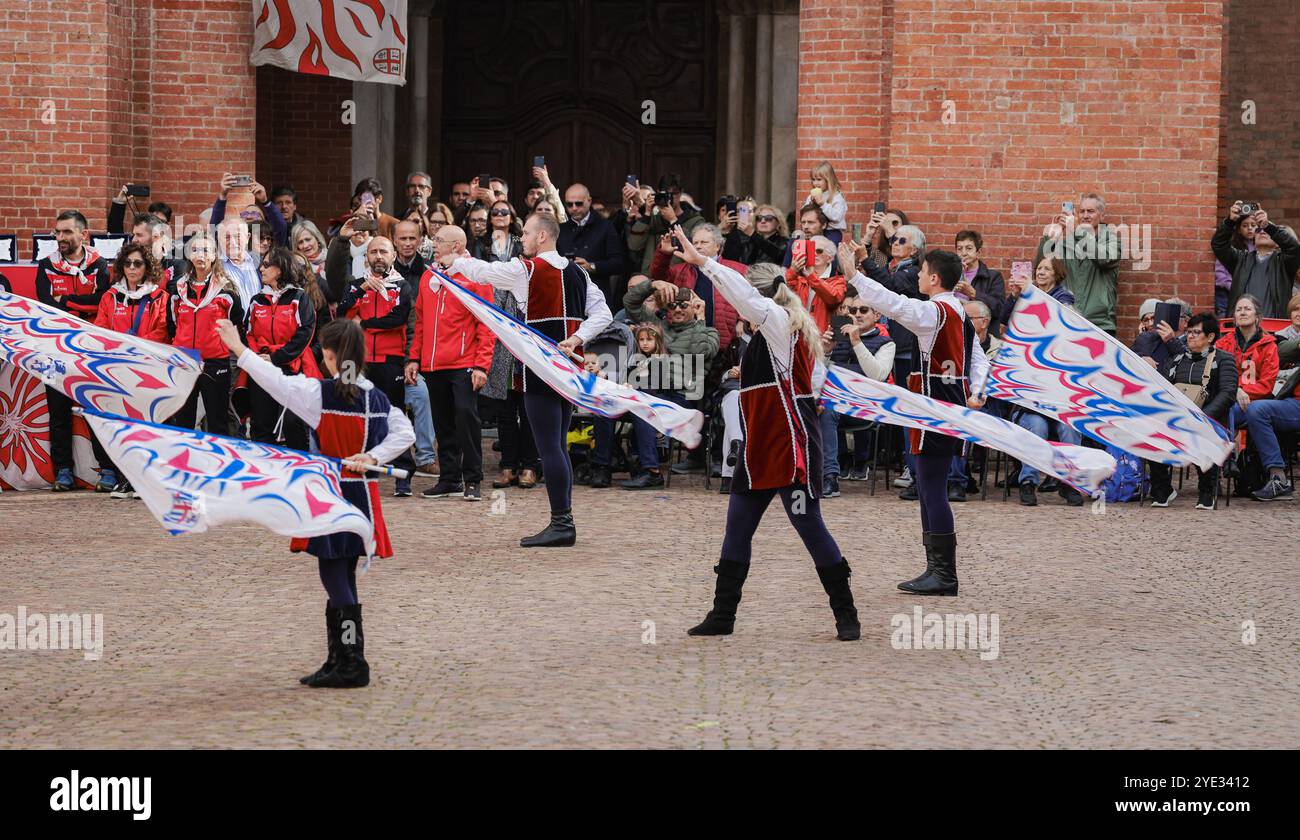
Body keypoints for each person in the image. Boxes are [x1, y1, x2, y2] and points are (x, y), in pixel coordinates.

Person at [674, 232, 860, 641]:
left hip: (789, 444)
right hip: (759, 446)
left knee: (810, 526)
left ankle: (846, 612)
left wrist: (705, 263)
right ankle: (723, 614)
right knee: (737, 528)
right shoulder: (779, 332)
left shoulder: (778, 324)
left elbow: (744, 298)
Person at [217, 317, 413, 688]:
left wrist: (239, 349)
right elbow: (406, 432)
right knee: (344, 575)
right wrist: (373, 457)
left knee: (332, 573)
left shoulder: (318, 394)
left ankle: (353, 661)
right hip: (363, 498)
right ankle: (340, 657)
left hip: (332, 494)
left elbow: (273, 381)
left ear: (330, 355)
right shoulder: (379, 397)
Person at [442, 213, 613, 547]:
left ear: (543, 237)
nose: (522, 239)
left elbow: (486, 272)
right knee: (557, 445)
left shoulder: (528, 270)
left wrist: (458, 260)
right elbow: (604, 312)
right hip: (568, 369)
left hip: (541, 367)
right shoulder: (578, 271)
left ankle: (562, 523)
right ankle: (563, 521)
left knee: (549, 447)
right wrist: (577, 339)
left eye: (527, 233)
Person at [840, 239, 989, 596]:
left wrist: (855, 276)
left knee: (932, 488)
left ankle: (944, 573)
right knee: (927, 486)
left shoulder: (935, 311)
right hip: (941, 403)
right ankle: (935, 568)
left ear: (934, 278)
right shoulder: (957, 312)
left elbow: (895, 304)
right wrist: (978, 390)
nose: (918, 277)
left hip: (933, 405)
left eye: (922, 272)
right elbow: (979, 358)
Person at [404, 225, 497, 502]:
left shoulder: (475, 275)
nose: (433, 243)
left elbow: (487, 324)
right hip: (434, 364)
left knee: (466, 419)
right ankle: (449, 478)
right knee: (443, 423)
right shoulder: (429, 276)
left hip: (464, 360)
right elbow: (420, 321)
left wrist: (482, 365)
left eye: (439, 240)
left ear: (456, 246)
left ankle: (473, 479)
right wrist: (414, 358)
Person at [35, 210, 112, 492]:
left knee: (95, 409)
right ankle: (63, 471)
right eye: (57, 232)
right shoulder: (45, 265)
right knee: (58, 413)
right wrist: (78, 307)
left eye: (67, 232)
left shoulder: (100, 264)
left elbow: (102, 301)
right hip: (53, 349)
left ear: (84, 235)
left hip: (88, 350)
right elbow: (46, 307)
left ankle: (108, 471)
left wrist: (66, 300)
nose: (60, 238)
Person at [334, 233, 417, 496]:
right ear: (366, 257)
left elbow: (398, 318)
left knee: (394, 415)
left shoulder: (402, 286)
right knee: (349, 413)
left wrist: (365, 324)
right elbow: (341, 315)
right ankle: (352, 469)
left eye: (383, 252)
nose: (378, 257)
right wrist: (361, 291)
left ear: (393, 256)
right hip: (353, 361)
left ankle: (404, 475)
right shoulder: (355, 285)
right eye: (373, 252)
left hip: (389, 361)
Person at [94, 243, 170, 498]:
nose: (132, 268)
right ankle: (127, 478)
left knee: (147, 425)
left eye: (138, 263)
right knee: (123, 427)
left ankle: (146, 480)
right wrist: (119, 351)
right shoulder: (110, 297)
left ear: (147, 267)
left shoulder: (160, 297)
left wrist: (135, 348)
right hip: (118, 370)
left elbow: (162, 331)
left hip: (148, 370)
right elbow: (101, 330)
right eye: (127, 263)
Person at [1148, 314, 1237, 510]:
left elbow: (1228, 393)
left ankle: (1207, 490)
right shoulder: (1177, 359)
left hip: (1208, 421)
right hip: (1177, 420)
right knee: (1152, 432)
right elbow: (1162, 389)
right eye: (1188, 332)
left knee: (1203, 433)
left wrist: (1203, 416)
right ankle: (1162, 489)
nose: (1190, 336)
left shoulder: (1224, 360)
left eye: (1196, 332)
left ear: (1211, 336)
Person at [243, 246, 320, 451]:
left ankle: (300, 470)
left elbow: (305, 334)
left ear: (280, 269)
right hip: (261, 368)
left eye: (266, 265)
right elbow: (248, 333)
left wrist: (276, 357)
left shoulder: (299, 298)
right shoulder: (256, 300)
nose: (261, 269)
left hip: (292, 369)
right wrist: (259, 358)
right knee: (261, 426)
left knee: (293, 424)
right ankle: (265, 474)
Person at [168, 232, 242, 439]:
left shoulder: (226, 290)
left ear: (214, 255)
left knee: (217, 422)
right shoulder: (178, 289)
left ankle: (216, 466)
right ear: (189, 255)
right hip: (184, 362)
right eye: (195, 250)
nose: (200, 254)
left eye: (206, 250)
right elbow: (172, 324)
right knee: (183, 423)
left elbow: (236, 322)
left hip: (215, 363)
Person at [1035, 193, 1121, 334]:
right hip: (1067, 322)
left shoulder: (1112, 242)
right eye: (1081, 211)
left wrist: (1078, 230)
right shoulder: (1067, 244)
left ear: (1102, 216)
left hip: (1099, 325)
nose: (1085, 216)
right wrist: (1051, 238)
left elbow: (1103, 258)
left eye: (1090, 211)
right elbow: (1041, 267)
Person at [1213, 201, 1300, 319]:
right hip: (1243, 326)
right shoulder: (1240, 260)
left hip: (1274, 327)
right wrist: (1230, 221)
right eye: (1258, 230)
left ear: (1277, 243)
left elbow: (1294, 248)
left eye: (1265, 230)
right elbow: (1219, 245)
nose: (1262, 231)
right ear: (1253, 239)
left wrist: (1268, 226)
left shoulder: (1284, 262)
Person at [558, 183, 626, 307]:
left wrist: (592, 266)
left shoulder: (605, 227)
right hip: (567, 295)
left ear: (589, 201)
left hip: (596, 296)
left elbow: (618, 263)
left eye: (578, 203)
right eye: (569, 204)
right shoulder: (560, 229)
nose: (574, 208)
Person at [785, 234, 846, 332]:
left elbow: (833, 298)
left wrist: (811, 276)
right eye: (809, 250)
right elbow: (784, 294)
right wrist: (792, 271)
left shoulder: (837, 280)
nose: (813, 253)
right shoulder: (800, 278)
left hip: (821, 339)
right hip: (798, 337)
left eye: (819, 251)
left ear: (830, 257)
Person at [952, 230, 1006, 335]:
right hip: (954, 332)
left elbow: (999, 309)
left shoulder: (993, 277)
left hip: (982, 337)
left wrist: (973, 293)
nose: (963, 253)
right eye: (959, 249)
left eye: (969, 248)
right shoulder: (949, 275)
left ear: (978, 252)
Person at [803, 161, 848, 244]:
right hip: (815, 231)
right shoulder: (811, 196)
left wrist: (822, 204)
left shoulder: (837, 197)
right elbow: (804, 213)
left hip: (832, 232)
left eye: (819, 180)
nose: (815, 183)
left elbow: (836, 217)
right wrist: (810, 204)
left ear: (828, 180)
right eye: (813, 179)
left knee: (828, 252)